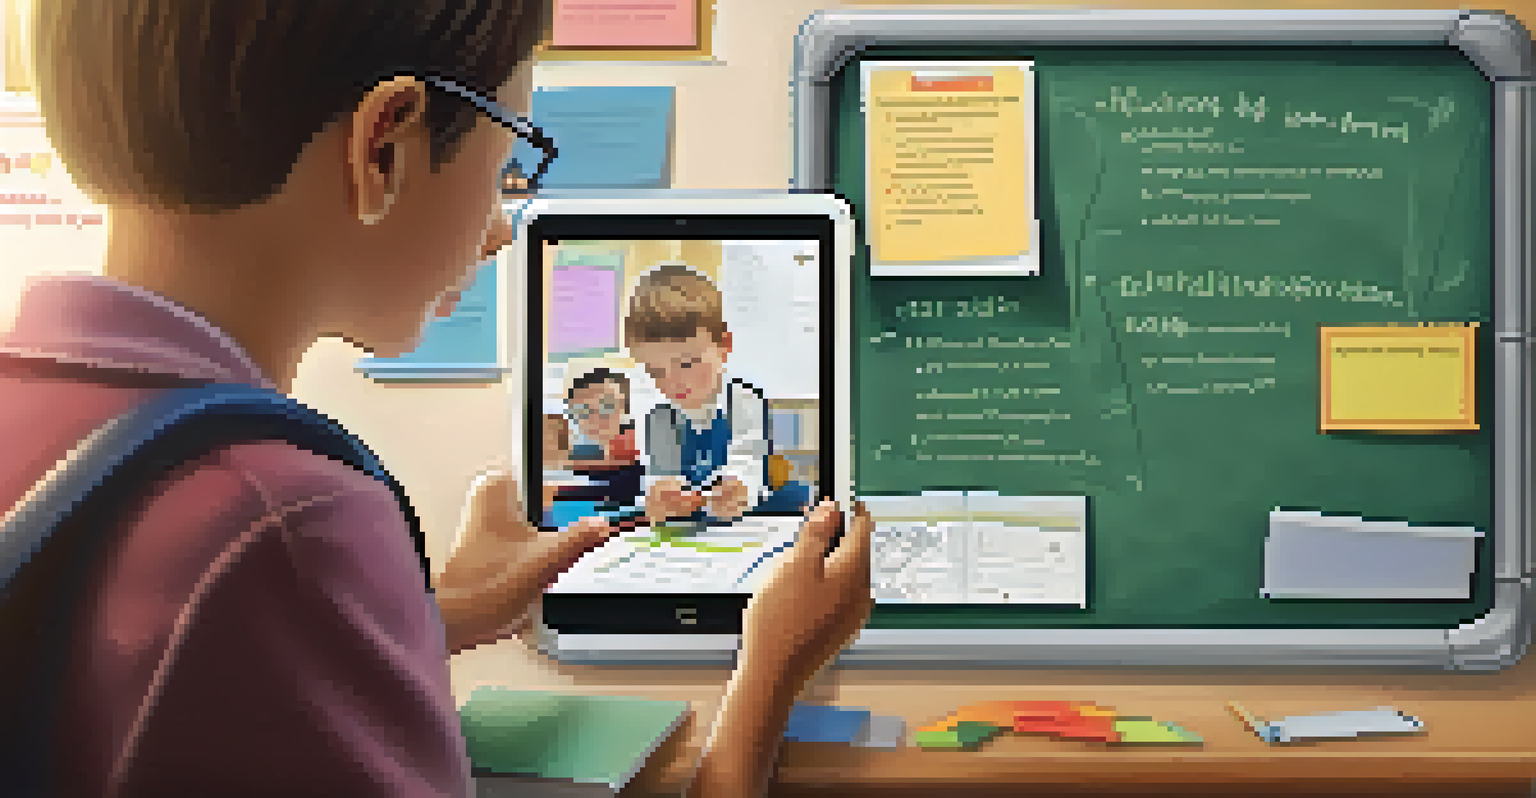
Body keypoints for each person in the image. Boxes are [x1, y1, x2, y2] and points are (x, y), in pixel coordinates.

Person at [0, 2, 873, 796]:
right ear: (384, 144)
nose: (502, 227)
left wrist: (428, 618)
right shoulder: (285, 518)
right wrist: (767, 679)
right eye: (509, 164)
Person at [625, 262, 767, 525]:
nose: (673, 382)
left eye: (687, 363)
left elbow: (750, 459)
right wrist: (660, 498)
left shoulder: (745, 402)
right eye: (656, 371)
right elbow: (660, 474)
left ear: (724, 346)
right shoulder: (659, 419)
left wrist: (738, 486)